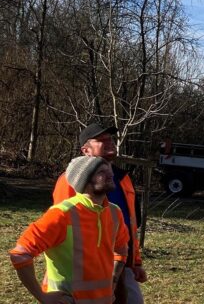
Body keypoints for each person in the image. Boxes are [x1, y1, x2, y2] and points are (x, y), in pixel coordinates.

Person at [10, 156, 129, 304]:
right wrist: (42, 296)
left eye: (109, 169)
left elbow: (121, 251)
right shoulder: (62, 214)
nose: (110, 174)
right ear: (84, 181)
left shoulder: (114, 212)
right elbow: (20, 254)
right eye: (101, 172)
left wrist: (113, 282)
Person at [53, 123, 147, 304]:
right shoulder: (69, 181)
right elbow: (60, 227)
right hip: (85, 272)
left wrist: (135, 263)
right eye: (101, 140)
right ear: (85, 150)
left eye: (110, 139)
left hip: (121, 266)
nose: (109, 143)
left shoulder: (124, 179)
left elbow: (131, 225)